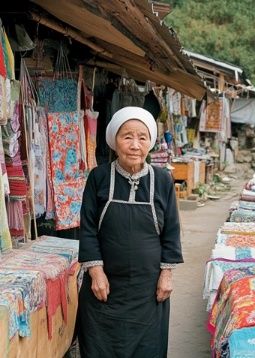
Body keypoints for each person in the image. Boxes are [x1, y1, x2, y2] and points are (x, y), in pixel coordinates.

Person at [78, 106, 183, 358]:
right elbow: (88, 228)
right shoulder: (98, 178)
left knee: (148, 350)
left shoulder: (163, 180)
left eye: (142, 137)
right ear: (115, 141)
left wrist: (167, 275)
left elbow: (171, 232)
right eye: (127, 136)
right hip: (104, 288)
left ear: (150, 143)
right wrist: (96, 272)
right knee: (99, 349)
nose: (135, 145)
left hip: (148, 291)